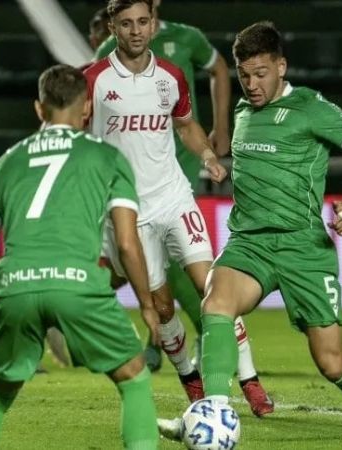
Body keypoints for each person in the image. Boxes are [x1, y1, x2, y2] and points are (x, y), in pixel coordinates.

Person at [160, 21, 342, 442]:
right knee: (215, 303)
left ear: (281, 67)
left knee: (331, 362)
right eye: (244, 75)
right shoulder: (243, 111)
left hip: (303, 246)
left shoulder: (309, 107)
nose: (251, 84)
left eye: (261, 73)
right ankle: (211, 414)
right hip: (250, 242)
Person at [0, 64, 159, 450]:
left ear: (39, 110)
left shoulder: (4, 164)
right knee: (134, 377)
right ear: (87, 108)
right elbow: (127, 243)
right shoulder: (108, 158)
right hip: (76, 283)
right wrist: (147, 304)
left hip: (14, 289)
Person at [84, 0, 273, 416]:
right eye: (126, 23)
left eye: (143, 22)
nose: (136, 31)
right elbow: (77, 136)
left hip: (173, 195)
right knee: (163, 306)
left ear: (154, 25)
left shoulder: (170, 76)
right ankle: (189, 376)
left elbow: (185, 124)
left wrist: (206, 154)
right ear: (113, 27)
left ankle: (250, 379)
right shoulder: (95, 80)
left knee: (213, 286)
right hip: (127, 213)